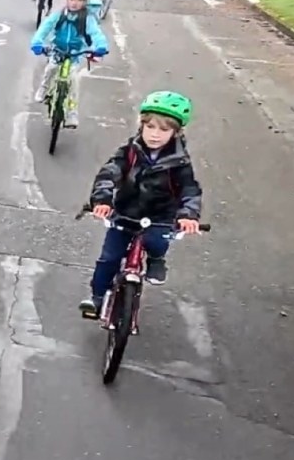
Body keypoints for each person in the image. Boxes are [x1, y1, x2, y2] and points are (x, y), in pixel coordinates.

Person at [80, 92, 203, 317]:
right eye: (150, 127)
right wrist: (103, 200)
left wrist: (188, 215)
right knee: (109, 259)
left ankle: (156, 259)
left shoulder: (180, 161)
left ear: (176, 133)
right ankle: (97, 298)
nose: (155, 135)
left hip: (160, 217)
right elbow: (110, 173)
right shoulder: (129, 152)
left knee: (157, 241)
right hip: (125, 213)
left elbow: (189, 189)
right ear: (141, 125)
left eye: (164, 130)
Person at [30, 0, 110, 129]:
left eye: (79, 0)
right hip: (58, 48)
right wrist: (37, 42)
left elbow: (96, 34)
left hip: (75, 52)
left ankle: (72, 113)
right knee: (51, 68)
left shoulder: (88, 18)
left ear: (85, 2)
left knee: (73, 81)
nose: (74, 3)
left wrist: (101, 46)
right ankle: (44, 87)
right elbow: (44, 28)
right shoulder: (59, 14)